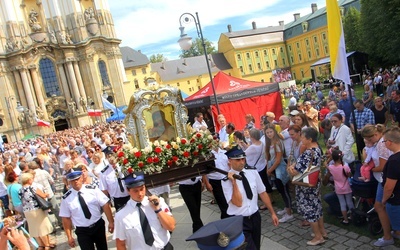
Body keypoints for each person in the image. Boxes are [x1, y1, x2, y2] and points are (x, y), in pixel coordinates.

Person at [222, 146, 278, 250]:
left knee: (256, 246)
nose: (242, 162)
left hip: (255, 217)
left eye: (243, 159)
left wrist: (272, 213)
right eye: (238, 160)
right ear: (230, 160)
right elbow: (237, 203)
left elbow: (262, 192)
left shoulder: (252, 172)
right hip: (238, 221)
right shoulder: (225, 181)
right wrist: (234, 183)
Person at [113, 172, 175, 250]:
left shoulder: (158, 202)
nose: (140, 193)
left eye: (142, 189)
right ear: (128, 190)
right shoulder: (121, 215)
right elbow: (120, 243)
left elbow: (171, 227)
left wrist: (158, 210)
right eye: (135, 191)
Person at [287, 127, 327, 246]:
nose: (302, 139)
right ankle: (322, 231)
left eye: (303, 137)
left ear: (309, 139)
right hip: (315, 183)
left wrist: (290, 168)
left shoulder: (308, 153)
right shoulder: (317, 149)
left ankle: (318, 237)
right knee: (317, 206)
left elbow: (296, 171)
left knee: (310, 209)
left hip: (306, 185)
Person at [59, 170, 114, 250]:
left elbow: (105, 204)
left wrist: (111, 222)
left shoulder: (92, 189)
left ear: (81, 178)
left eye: (77, 179)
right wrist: (69, 236)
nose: (76, 182)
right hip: (82, 230)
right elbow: (65, 218)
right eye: (73, 180)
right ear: (69, 182)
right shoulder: (66, 198)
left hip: (97, 225)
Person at [361, 125, 394, 247]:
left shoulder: (381, 144)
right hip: (382, 178)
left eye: (369, 140)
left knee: (379, 206)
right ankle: (394, 230)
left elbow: (383, 166)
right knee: (387, 205)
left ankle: (387, 236)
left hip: (384, 179)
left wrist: (368, 169)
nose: (368, 143)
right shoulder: (379, 142)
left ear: (375, 135)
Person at [264, 124, 292, 223]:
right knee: (281, 190)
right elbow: (269, 158)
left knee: (284, 190)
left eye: (271, 132)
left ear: (274, 132)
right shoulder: (269, 143)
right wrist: (268, 168)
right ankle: (287, 207)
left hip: (279, 169)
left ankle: (289, 213)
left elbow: (278, 159)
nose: (269, 134)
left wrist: (270, 169)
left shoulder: (277, 142)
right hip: (274, 169)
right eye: (267, 133)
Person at [18, 172, 54, 249]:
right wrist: (46, 194)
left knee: (34, 228)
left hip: (27, 211)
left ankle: (40, 245)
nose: (32, 180)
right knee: (42, 228)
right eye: (31, 178)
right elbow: (43, 195)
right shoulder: (32, 188)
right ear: (28, 180)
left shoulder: (20, 190)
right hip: (36, 210)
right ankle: (47, 245)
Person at [381, 127, 400, 241]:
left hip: (396, 200)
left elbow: (389, 186)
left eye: (384, 141)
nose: (384, 144)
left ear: (389, 142)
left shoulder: (394, 160)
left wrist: (384, 199)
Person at [326, 149, 354, 225]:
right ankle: (352, 216)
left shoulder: (331, 167)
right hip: (347, 187)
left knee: (342, 204)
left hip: (338, 188)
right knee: (349, 202)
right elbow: (350, 175)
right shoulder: (345, 167)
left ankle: (345, 220)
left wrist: (329, 160)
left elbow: (325, 164)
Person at [203, 145, 230, 219]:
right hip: (215, 181)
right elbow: (204, 172)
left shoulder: (224, 152)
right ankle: (227, 222)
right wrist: (207, 183)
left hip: (227, 180)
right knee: (222, 203)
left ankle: (225, 221)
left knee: (228, 201)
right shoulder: (207, 155)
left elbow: (229, 165)